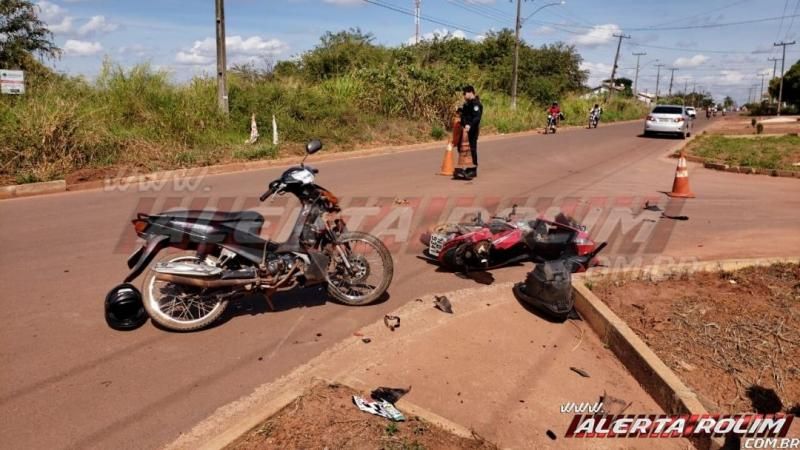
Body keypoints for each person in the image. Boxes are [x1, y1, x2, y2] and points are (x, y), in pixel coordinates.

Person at [460, 85, 483, 177]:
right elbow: (464, 116)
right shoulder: (467, 104)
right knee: (464, 149)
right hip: (465, 130)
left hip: (472, 130)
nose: (464, 95)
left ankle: (473, 169)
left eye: (465, 93)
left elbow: (477, 118)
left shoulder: (476, 104)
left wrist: (470, 125)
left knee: (472, 149)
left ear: (470, 92)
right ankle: (467, 167)